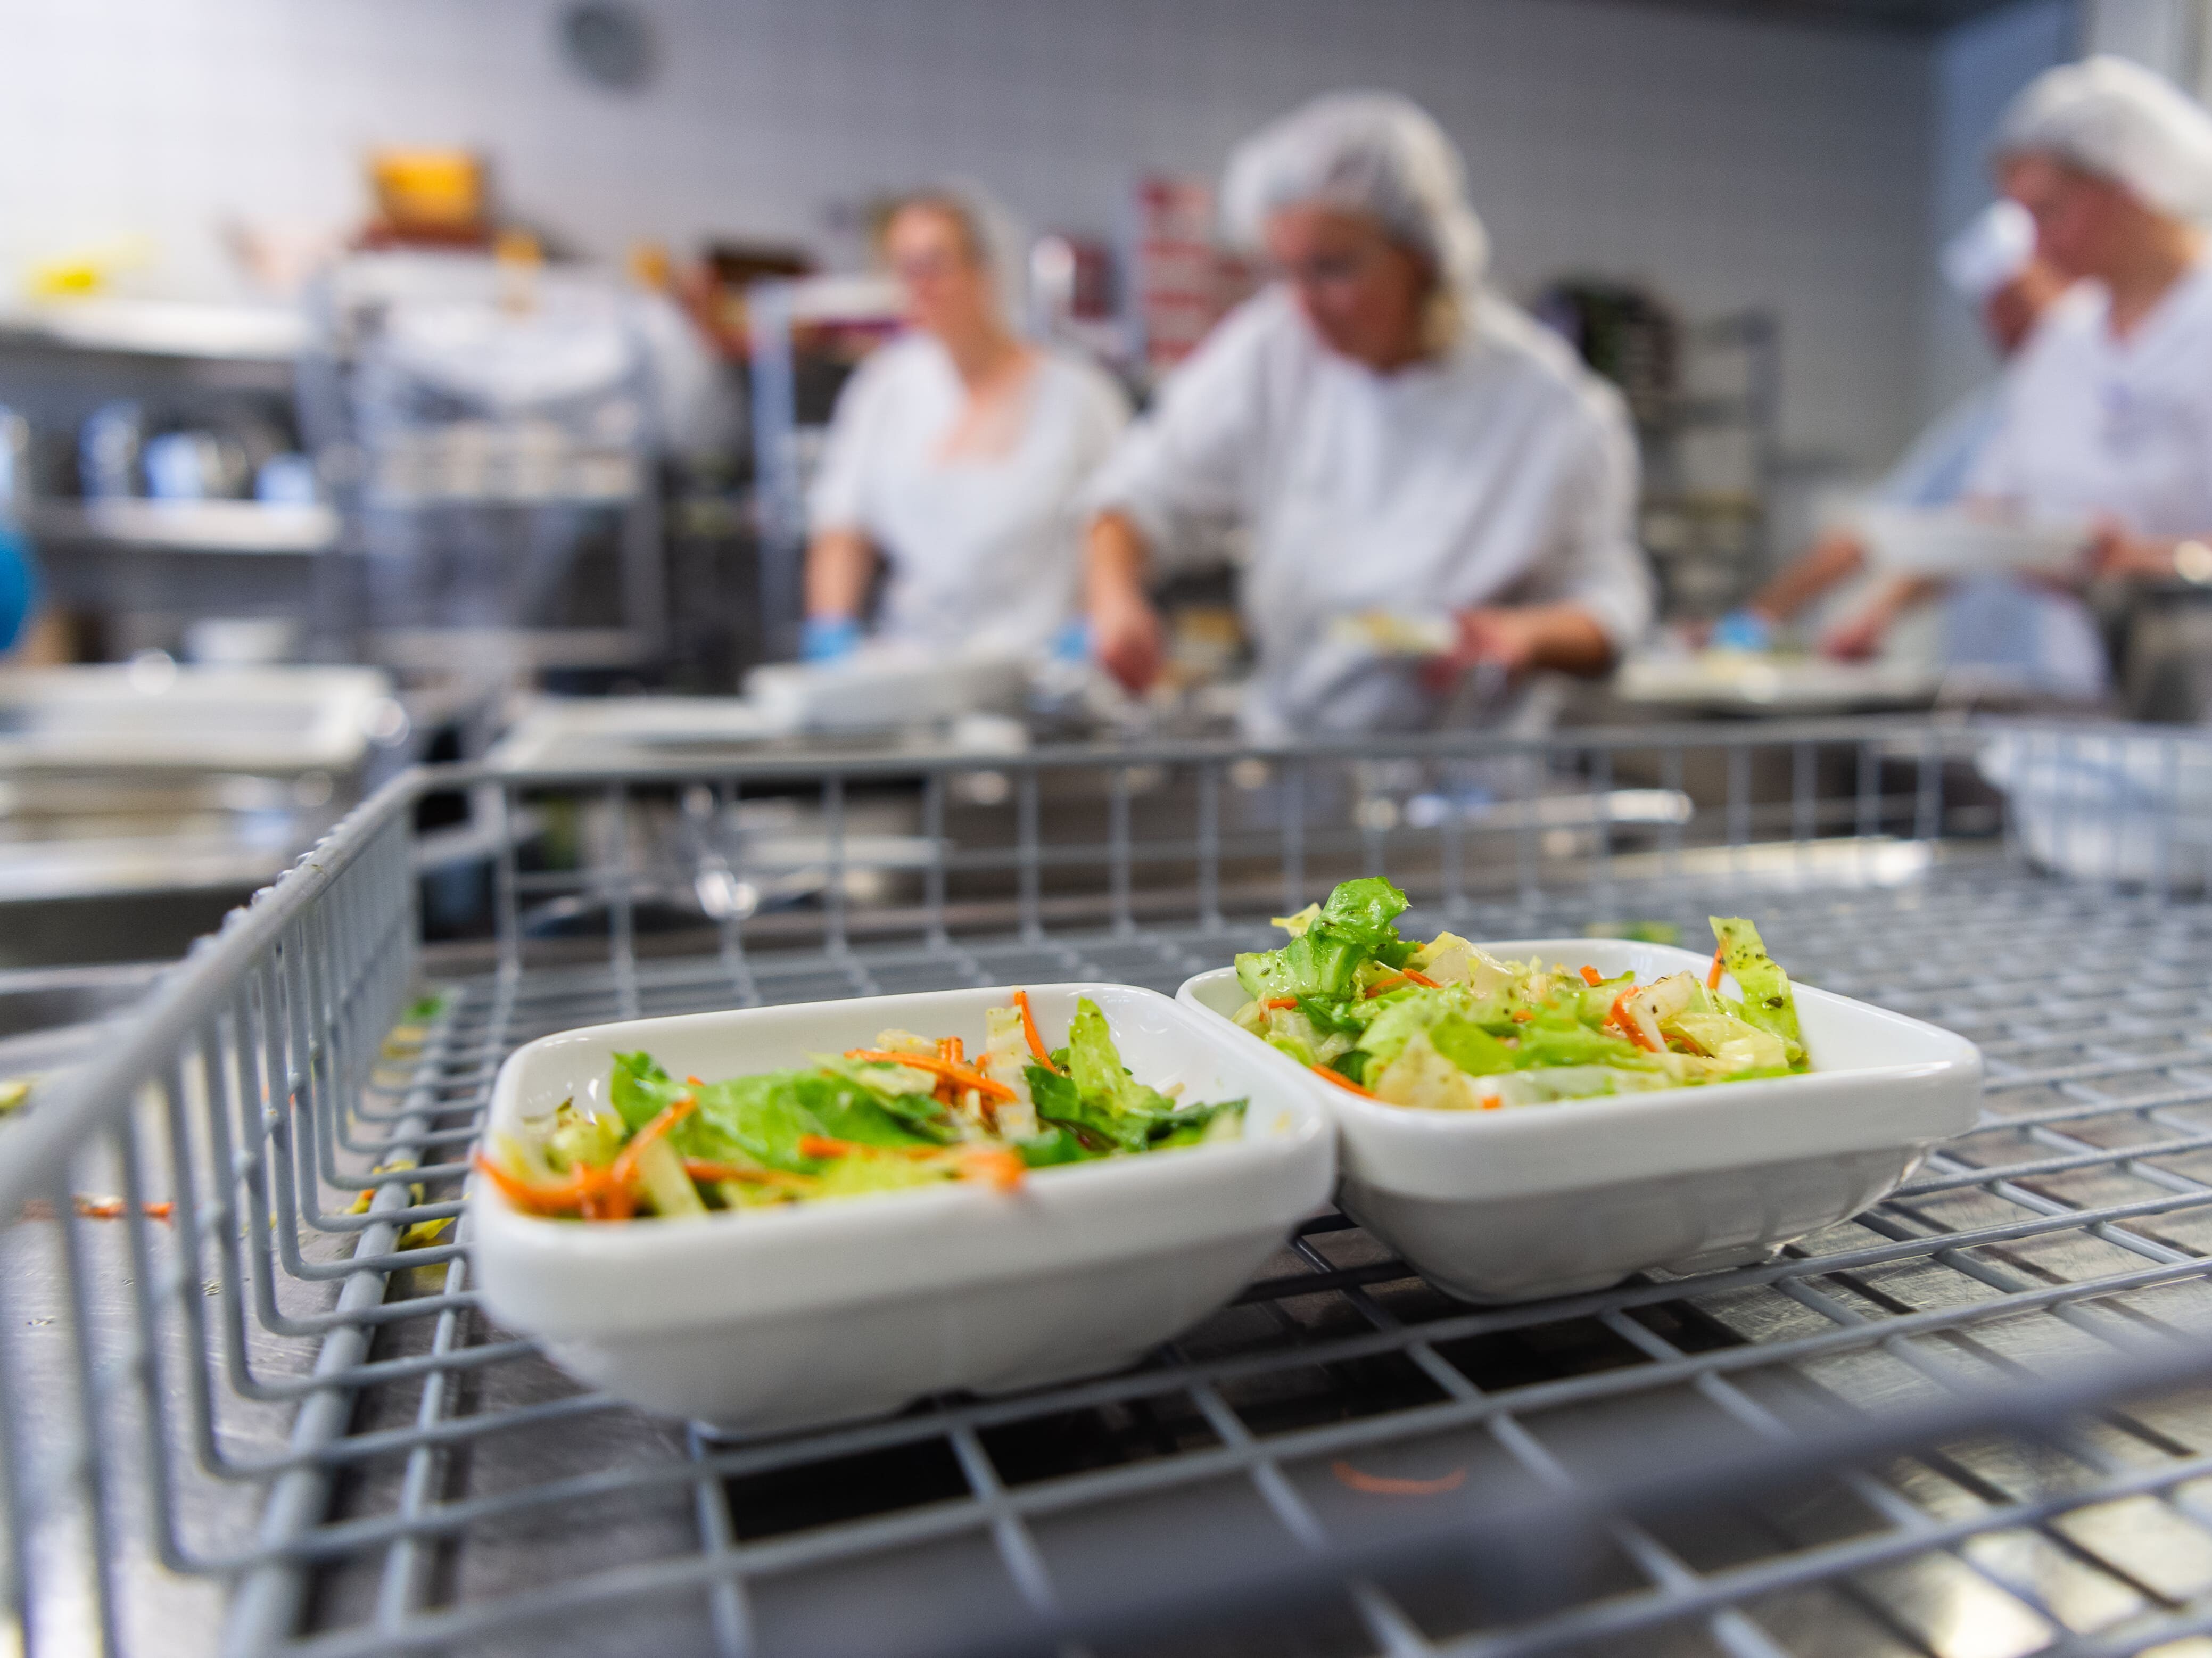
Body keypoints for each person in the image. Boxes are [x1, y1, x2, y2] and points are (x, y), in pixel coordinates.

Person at [1082, 93, 1652, 738]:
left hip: (1469, 776)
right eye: (1285, 271)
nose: (1305, 305)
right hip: (1290, 755)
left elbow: (1610, 600)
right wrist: (1115, 600)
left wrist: (1524, 635)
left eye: (1331, 268)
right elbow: (1138, 491)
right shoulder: (1270, 352)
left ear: (1421, 255)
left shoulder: (1551, 406)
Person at [1715, 200, 2084, 689]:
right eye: (1990, 310)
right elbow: (1929, 530)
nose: (2002, 325)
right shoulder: (1996, 418)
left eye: (2016, 301)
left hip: (2095, 685)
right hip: (1996, 693)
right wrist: (1869, 610)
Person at [803, 188, 1130, 662]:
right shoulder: (884, 388)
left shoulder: (1079, 395)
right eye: (903, 266)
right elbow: (843, 525)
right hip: (914, 665)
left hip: (1037, 665)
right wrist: (830, 628)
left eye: (935, 264)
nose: (919, 284)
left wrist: (1101, 615)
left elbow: (1115, 517)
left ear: (986, 269)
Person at [1974, 57, 2212, 604]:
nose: (2035, 247)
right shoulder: (2064, 338)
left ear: (2128, 187)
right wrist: (1881, 605)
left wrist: (2149, 563)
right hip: (2086, 680)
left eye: (2049, 212)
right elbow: (1991, 504)